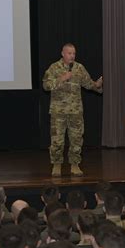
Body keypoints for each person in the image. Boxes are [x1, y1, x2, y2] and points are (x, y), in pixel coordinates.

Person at [43, 43, 103, 177]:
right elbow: (46, 85)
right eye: (69, 53)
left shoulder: (79, 68)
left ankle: (75, 165)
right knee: (57, 140)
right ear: (62, 54)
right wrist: (61, 79)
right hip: (58, 111)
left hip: (75, 111)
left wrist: (97, 85)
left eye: (74, 53)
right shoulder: (54, 68)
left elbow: (89, 84)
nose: (72, 56)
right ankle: (57, 165)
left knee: (76, 139)